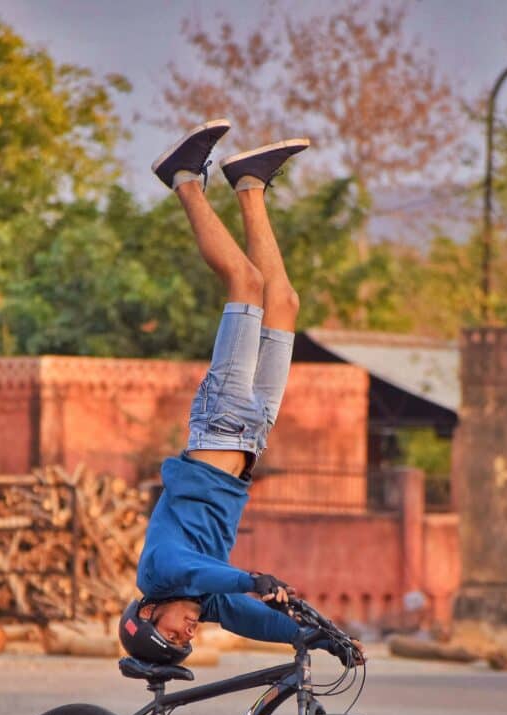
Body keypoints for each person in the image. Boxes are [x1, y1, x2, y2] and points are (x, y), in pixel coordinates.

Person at [119, 120, 357, 667]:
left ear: (149, 614)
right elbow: (251, 617)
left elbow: (197, 569)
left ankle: (181, 177)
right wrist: (321, 637)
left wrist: (251, 578)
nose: (189, 633)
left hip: (219, 424)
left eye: (177, 635)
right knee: (285, 302)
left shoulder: (157, 574)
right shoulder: (207, 603)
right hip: (254, 431)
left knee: (245, 284)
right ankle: (249, 185)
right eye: (189, 642)